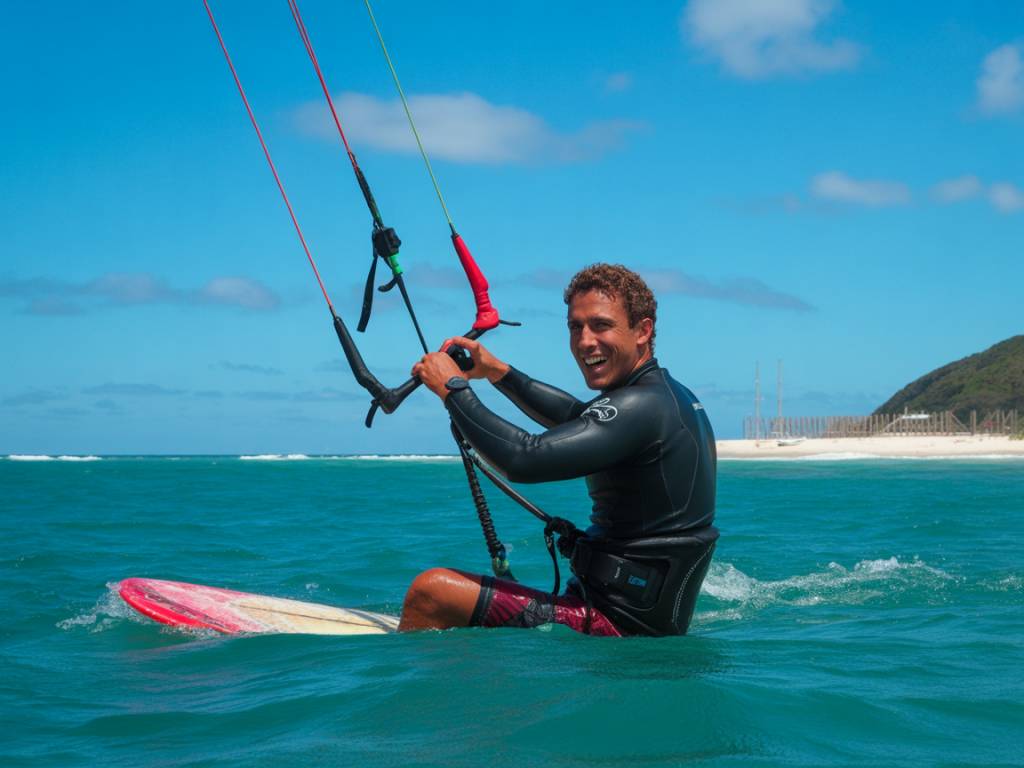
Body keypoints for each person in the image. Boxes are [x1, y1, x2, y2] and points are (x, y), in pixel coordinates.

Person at [403, 264, 718, 637]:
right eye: (575, 327)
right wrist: (495, 371)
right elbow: (579, 419)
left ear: (642, 331)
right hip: (638, 614)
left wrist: (453, 389)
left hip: (610, 623)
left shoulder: (640, 406)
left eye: (601, 325)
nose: (585, 341)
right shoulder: (666, 397)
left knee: (432, 592)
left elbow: (524, 458)